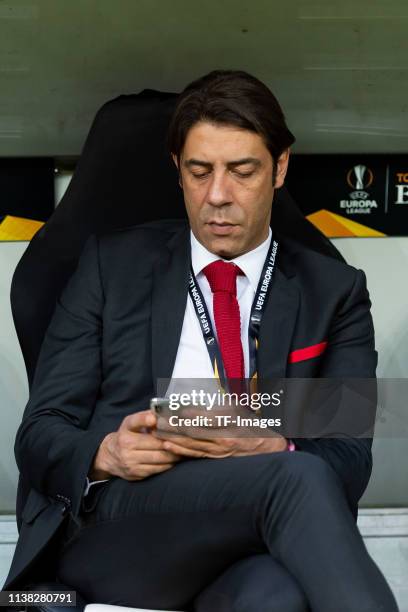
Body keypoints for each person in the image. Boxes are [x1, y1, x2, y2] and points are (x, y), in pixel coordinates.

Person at [4, 70, 399, 612]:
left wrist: (271, 444)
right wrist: (106, 454)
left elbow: (349, 460)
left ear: (280, 167)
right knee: (295, 477)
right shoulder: (109, 267)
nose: (218, 196)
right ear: (177, 171)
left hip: (248, 535)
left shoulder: (334, 292)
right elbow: (39, 434)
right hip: (123, 525)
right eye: (199, 172)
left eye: (241, 172)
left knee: (276, 595)